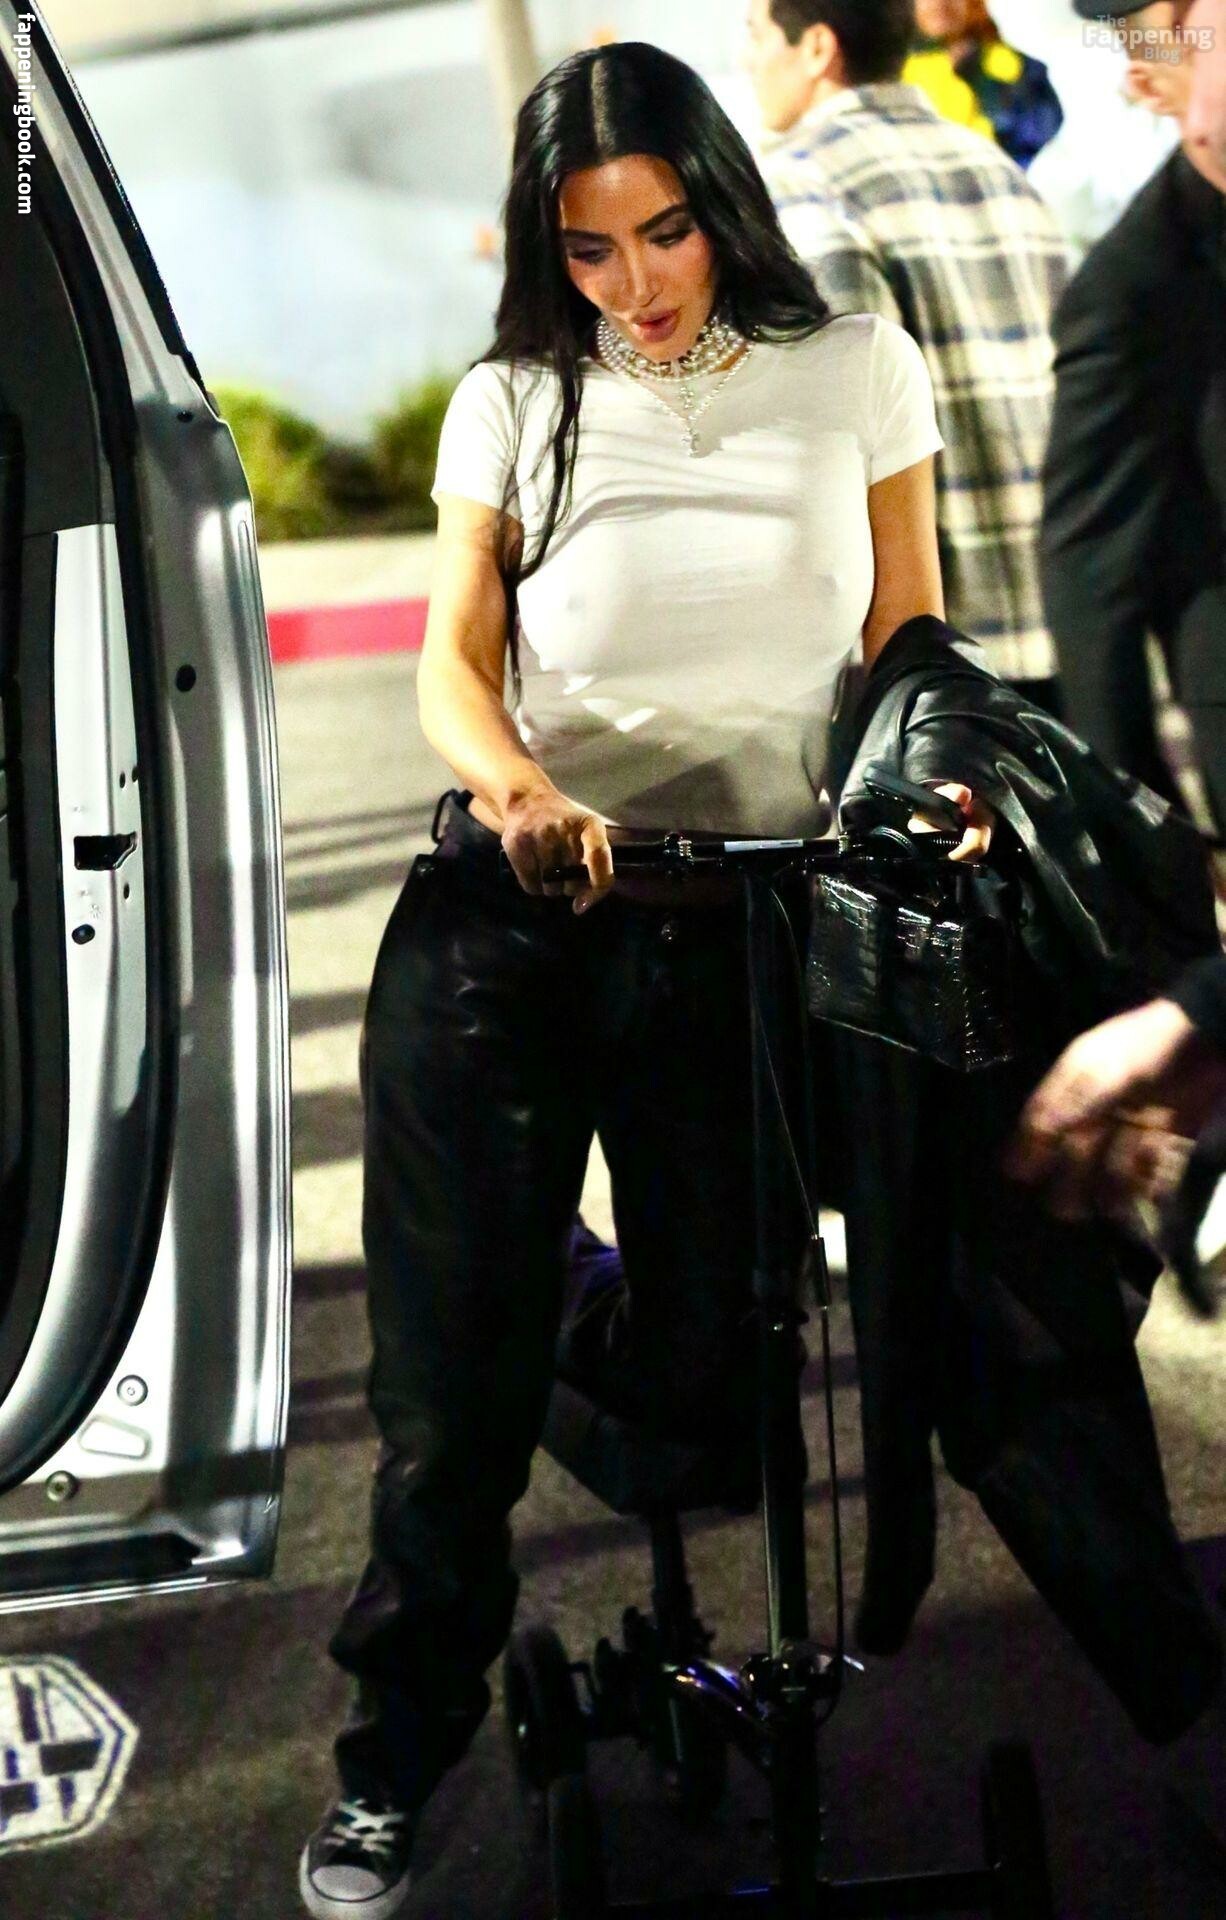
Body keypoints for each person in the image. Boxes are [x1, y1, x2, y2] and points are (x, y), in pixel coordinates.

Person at [298, 40, 994, 1920]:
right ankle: (389, 1766)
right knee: (442, 1411)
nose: (636, 282)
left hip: (736, 925)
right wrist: (518, 791)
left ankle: (549, 1296)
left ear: (719, 205)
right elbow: (454, 656)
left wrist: (937, 777)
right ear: (549, 250)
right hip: (514, 923)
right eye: (590, 250)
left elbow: (905, 624)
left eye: (664, 232)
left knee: (715, 1382)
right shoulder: (515, 399)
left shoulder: (853, 366)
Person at [744, 0, 1069, 706]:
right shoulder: (1000, 172)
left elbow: (844, 439)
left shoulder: (800, 184)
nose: (749, 61)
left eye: (757, 36)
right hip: (1061, 612)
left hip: (932, 648)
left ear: (817, 48)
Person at [1042, 0, 1226, 825]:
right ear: (1156, 86)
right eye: (1193, 35)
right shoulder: (1135, 285)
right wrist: (1141, 832)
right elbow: (1090, 572)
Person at [907, 0, 1065, 168]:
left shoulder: (1015, 66)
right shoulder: (895, 71)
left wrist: (983, 85)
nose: (940, 3)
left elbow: (1039, 132)